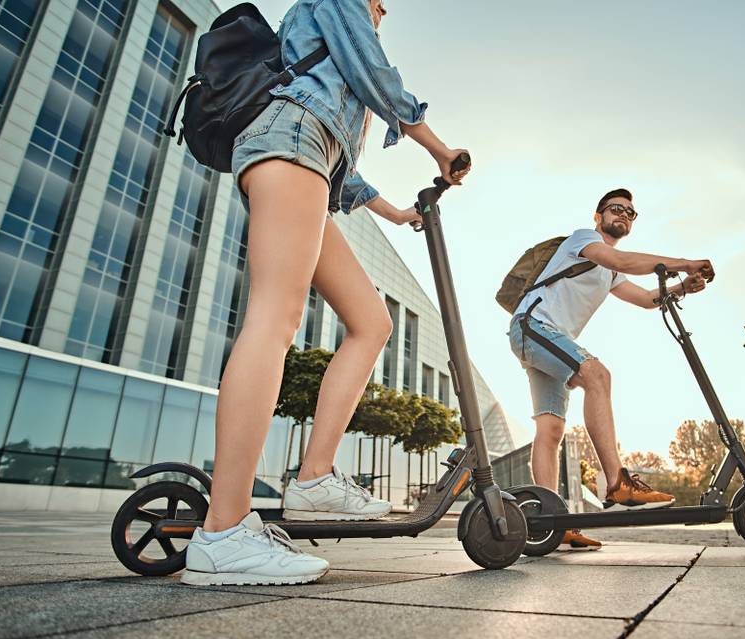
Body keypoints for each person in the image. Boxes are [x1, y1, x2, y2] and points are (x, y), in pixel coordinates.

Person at [182, 0, 469, 586]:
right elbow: (372, 71)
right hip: (289, 143)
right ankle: (222, 533)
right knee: (276, 316)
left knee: (372, 322)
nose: (385, 8)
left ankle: (314, 479)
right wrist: (437, 146)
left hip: (305, 148)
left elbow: (342, 159)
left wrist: (393, 212)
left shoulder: (322, 56)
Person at [508, 188, 713, 550]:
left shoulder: (611, 273)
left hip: (549, 339)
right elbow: (623, 262)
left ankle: (549, 520)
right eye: (616, 209)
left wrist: (683, 287)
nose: (623, 215)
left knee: (551, 429)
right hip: (533, 326)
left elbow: (648, 299)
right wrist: (684, 262)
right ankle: (618, 481)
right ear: (598, 216)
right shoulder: (584, 240)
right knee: (597, 375)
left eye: (631, 213)